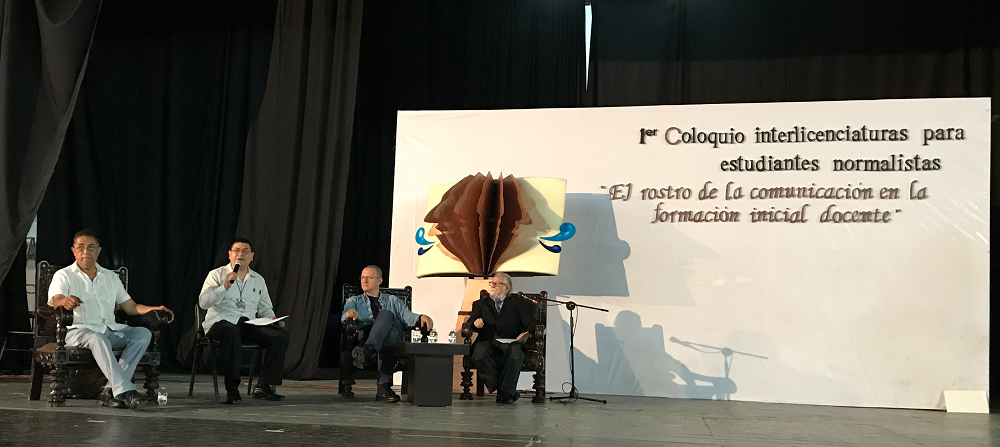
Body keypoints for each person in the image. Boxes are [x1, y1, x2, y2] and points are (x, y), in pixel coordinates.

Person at [48, 229, 174, 411]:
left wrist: (155, 309)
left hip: (108, 329)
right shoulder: (64, 275)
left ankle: (109, 390)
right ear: (73, 250)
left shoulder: (110, 277)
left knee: (142, 334)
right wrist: (64, 301)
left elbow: (130, 307)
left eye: (91, 247)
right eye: (81, 248)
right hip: (78, 330)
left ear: (99, 251)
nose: (86, 252)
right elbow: (55, 300)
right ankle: (126, 390)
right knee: (97, 338)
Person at [199, 237, 289, 404]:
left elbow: (265, 307)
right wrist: (225, 287)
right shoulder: (217, 274)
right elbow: (203, 303)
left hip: (247, 324)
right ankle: (232, 390)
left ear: (252, 256)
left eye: (245, 251)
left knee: (280, 336)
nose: (240, 254)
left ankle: (264, 386)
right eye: (236, 251)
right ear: (229, 254)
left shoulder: (258, 279)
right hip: (220, 323)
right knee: (232, 331)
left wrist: (272, 318)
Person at [341, 265, 432, 403]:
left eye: (369, 277)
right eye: (362, 277)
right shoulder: (354, 301)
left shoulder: (392, 300)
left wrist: (422, 317)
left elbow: (408, 317)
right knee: (391, 333)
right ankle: (383, 387)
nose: (364, 280)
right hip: (368, 334)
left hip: (373, 344)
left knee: (387, 315)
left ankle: (368, 352)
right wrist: (349, 313)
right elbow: (344, 317)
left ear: (380, 280)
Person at [467, 272, 540, 404]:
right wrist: (475, 323)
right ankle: (506, 392)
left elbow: (532, 322)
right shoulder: (480, 304)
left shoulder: (519, 304)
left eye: (497, 283)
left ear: (507, 288)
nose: (493, 285)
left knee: (515, 353)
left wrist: (528, 333)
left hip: (510, 341)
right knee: (479, 353)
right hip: (487, 341)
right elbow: (471, 321)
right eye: (492, 283)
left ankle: (505, 393)